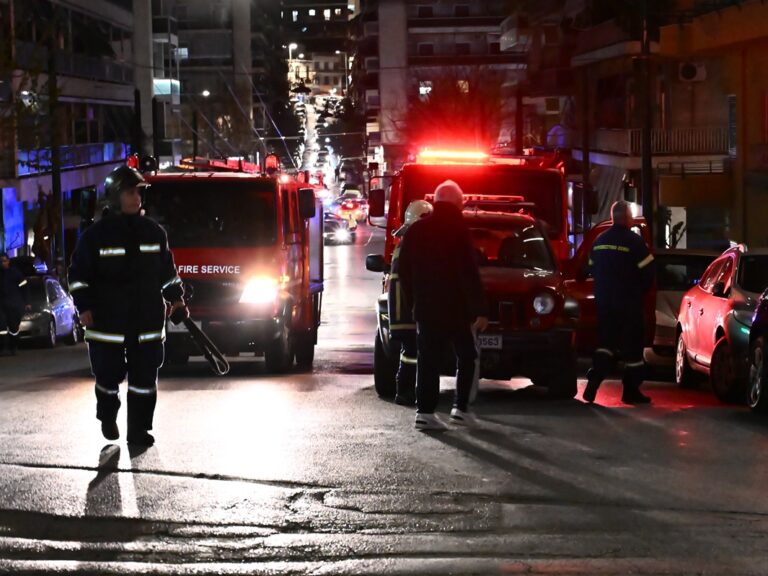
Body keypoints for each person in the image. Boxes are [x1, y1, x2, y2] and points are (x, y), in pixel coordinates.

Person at [68, 165, 185, 446]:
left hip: (145, 322)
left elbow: (166, 273)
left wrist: (177, 299)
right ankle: (107, 416)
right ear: (115, 196)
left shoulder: (154, 233)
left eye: (139, 193)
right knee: (108, 378)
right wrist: (83, 306)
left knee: (144, 381)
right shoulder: (95, 236)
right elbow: (78, 276)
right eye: (131, 192)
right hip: (107, 323)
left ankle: (139, 430)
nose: (137, 198)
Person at [398, 180, 489, 430]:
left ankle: (425, 412)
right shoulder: (459, 229)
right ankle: (460, 408)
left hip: (426, 308)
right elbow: (468, 272)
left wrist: (414, 298)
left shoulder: (417, 230)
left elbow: (402, 270)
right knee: (467, 355)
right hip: (456, 309)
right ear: (457, 202)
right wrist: (479, 309)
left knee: (428, 359)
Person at [582, 200, 655, 405]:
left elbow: (587, 268)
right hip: (629, 302)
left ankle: (594, 381)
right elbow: (648, 273)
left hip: (605, 302)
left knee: (605, 344)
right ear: (627, 218)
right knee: (633, 349)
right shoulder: (635, 242)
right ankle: (631, 391)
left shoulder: (599, 241)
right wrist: (639, 293)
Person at [387, 200, 433, 406]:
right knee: (413, 353)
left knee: (410, 352)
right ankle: (405, 391)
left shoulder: (404, 244)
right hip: (408, 313)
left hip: (402, 313)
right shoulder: (413, 245)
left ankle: (405, 390)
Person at [0, 253, 30, 355]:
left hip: (14, 304)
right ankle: (3, 347)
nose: (2, 263)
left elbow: (24, 288)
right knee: (2, 325)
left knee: (13, 327)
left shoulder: (15, 273)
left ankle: (13, 346)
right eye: (1, 261)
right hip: (2, 305)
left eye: (4, 260)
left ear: (8, 261)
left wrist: (26, 302)